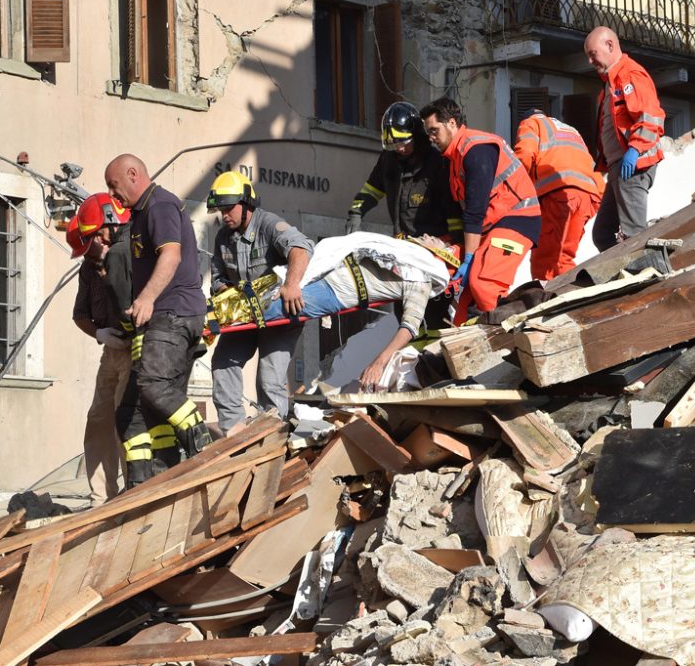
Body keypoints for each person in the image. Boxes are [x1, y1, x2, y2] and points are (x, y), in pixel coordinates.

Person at [214, 233, 455, 391]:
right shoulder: (401, 253)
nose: (428, 236)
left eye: (436, 240)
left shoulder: (421, 279)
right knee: (266, 286)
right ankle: (214, 308)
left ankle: (211, 319)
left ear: (440, 255)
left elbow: (409, 327)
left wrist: (379, 363)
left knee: (273, 304)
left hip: (333, 292)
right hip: (327, 266)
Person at [104, 154, 210, 486]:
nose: (112, 194)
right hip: (159, 321)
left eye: (114, 185)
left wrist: (147, 297)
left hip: (174, 314)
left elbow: (171, 254)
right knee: (130, 416)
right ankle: (146, 484)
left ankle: (202, 445)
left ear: (133, 173)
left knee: (154, 385)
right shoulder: (140, 215)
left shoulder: (160, 206)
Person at [207, 171, 314, 431]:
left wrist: (291, 284)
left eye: (229, 208)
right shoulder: (223, 237)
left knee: (269, 378)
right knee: (223, 363)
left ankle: (272, 436)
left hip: (279, 317)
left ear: (246, 204)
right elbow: (218, 277)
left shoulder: (269, 224)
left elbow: (302, 247)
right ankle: (233, 434)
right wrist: (223, 292)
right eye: (220, 210)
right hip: (246, 317)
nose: (224, 215)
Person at [419, 97, 541, 325]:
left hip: (516, 220)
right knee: (464, 307)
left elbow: (474, 211)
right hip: (494, 226)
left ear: (452, 123)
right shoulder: (455, 157)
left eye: (434, 130)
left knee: (484, 283)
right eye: (428, 132)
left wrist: (467, 258)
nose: (431, 138)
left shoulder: (475, 149)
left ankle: (507, 339)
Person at [584, 26, 666, 252]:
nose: (591, 61)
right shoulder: (610, 84)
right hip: (618, 167)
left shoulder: (629, 75)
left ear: (610, 45)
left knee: (634, 234)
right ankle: (620, 275)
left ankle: (642, 275)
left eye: (593, 54)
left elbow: (651, 117)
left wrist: (635, 150)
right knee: (602, 234)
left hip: (632, 165)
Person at [68, 211, 130, 505]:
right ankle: (101, 498)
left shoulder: (128, 253)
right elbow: (79, 315)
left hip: (135, 348)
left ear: (106, 229)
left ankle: (135, 490)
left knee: (125, 419)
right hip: (110, 350)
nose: (90, 250)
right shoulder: (88, 268)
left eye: (92, 240)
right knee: (98, 419)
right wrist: (99, 333)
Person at [345, 101, 462, 239]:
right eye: (394, 144)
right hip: (401, 241)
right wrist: (355, 214)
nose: (399, 149)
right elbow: (371, 191)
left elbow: (452, 209)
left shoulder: (437, 162)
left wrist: (456, 241)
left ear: (417, 136)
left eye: (404, 143)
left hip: (432, 243)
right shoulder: (388, 160)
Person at [513, 108, 604, 280]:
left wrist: (513, 190)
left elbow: (524, 155)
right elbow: (590, 164)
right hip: (587, 196)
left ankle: (544, 302)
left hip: (557, 194)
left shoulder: (530, 123)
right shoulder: (571, 130)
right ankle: (570, 300)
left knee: (546, 259)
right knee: (563, 258)